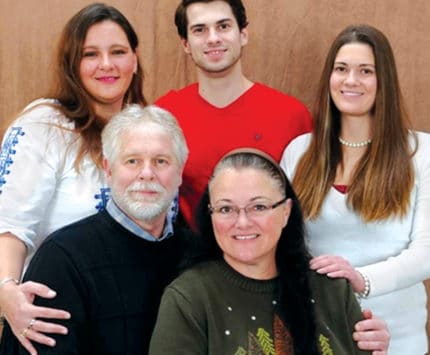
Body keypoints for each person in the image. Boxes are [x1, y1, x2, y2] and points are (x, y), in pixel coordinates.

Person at [0, 3, 146, 353]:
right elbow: (10, 226)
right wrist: (6, 291)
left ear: (135, 59)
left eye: (118, 52)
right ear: (72, 64)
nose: (106, 64)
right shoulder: (43, 126)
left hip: (137, 316)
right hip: (58, 320)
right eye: (90, 54)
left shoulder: (148, 129)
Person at [280, 24, 430, 354]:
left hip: (399, 338)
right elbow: (284, 245)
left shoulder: (422, 153)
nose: (351, 81)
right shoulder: (299, 152)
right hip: (319, 333)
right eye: (341, 69)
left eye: (366, 71)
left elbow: (426, 252)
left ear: (384, 81)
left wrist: (362, 279)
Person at [0, 104, 192, 354]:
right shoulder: (62, 260)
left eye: (161, 161)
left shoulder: (196, 256)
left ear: (179, 173)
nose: (147, 173)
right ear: (109, 170)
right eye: (132, 161)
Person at [149, 148, 373, 355]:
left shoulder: (331, 287)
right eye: (226, 209)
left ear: (286, 212)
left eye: (259, 207)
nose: (243, 222)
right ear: (211, 215)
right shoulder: (188, 299)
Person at [156, 0, 313, 229]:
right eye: (199, 30)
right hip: (191, 258)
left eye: (223, 26)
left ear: (243, 34)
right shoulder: (163, 117)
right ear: (185, 44)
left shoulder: (291, 115)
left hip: (272, 258)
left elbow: (309, 205)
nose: (212, 38)